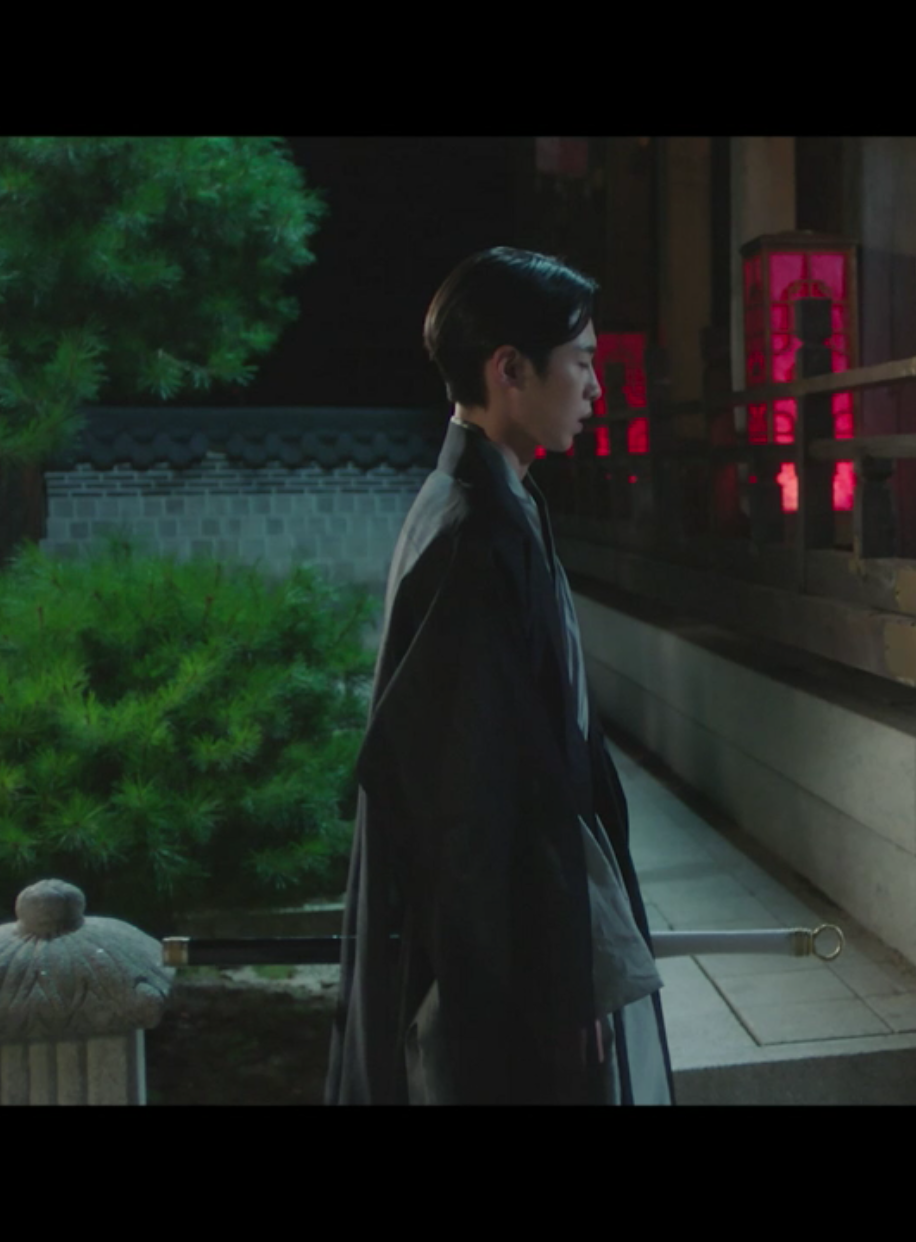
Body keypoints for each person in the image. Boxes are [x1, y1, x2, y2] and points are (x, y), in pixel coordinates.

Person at [327, 247, 672, 1105]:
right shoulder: (473, 534)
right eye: (581, 363)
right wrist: (556, 974)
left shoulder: (490, 504)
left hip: (519, 936)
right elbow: (472, 804)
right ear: (509, 369)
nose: (596, 388)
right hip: (502, 960)